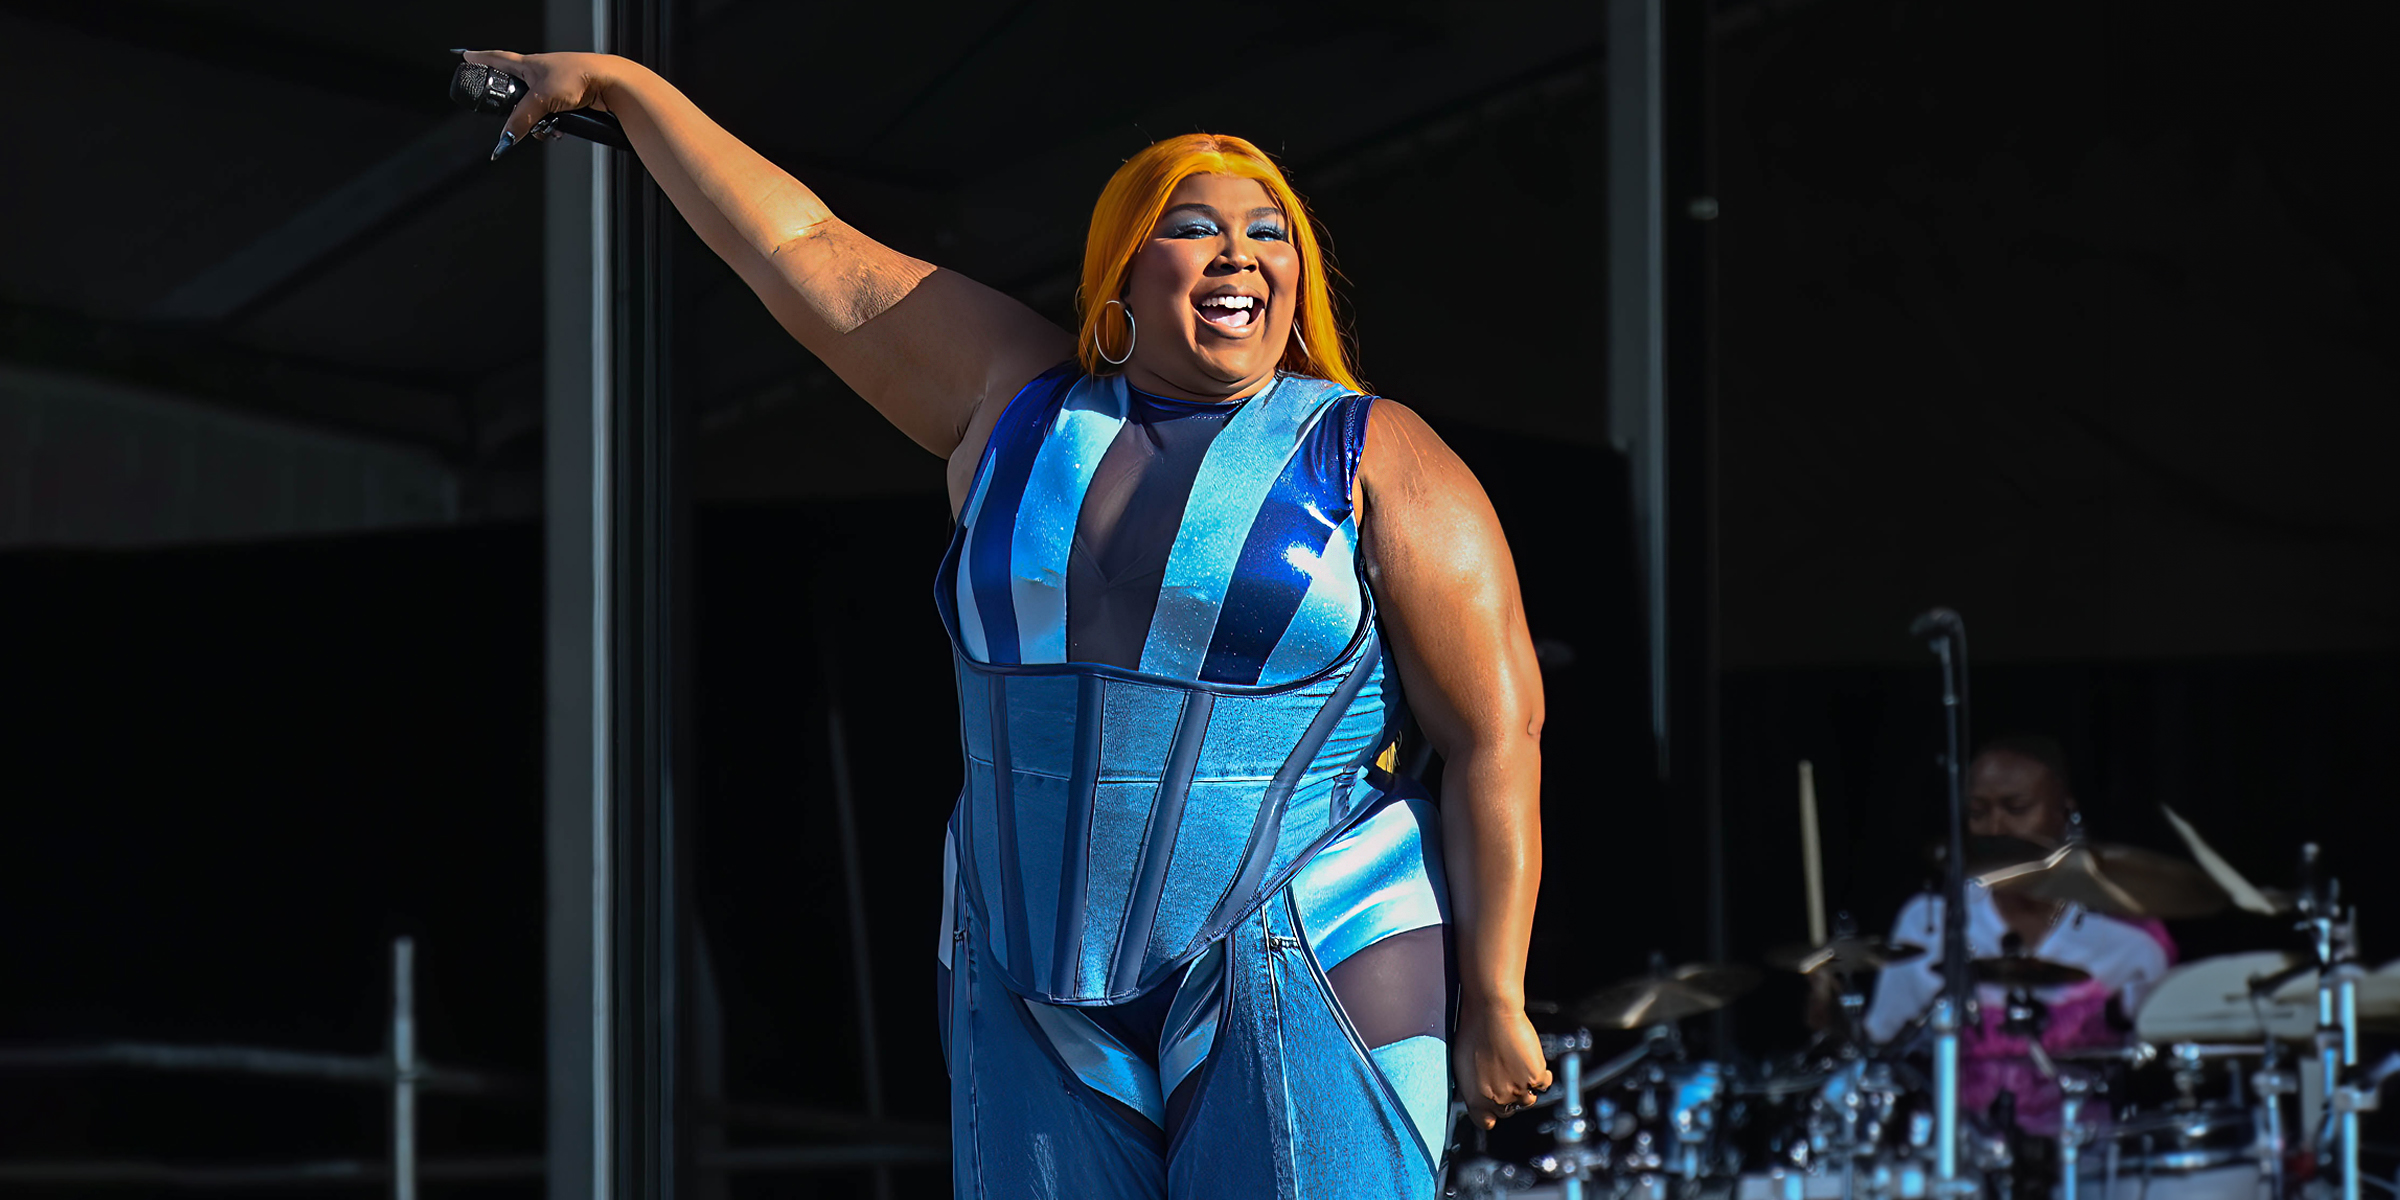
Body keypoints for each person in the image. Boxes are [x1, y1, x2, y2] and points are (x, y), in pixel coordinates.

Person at [459, 50, 1553, 1198]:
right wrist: (628, 88)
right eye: (1195, 225)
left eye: (1270, 232)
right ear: (1124, 268)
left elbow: (1497, 734)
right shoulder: (1014, 404)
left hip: (1309, 951)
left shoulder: (1379, 456)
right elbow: (804, 252)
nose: (1240, 252)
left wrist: (1497, 996)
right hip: (1021, 975)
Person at [1862, 734, 2174, 1140]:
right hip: (1958, 1168)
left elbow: (2167, 1071)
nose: (1995, 829)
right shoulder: (1931, 923)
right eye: (1977, 813)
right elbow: (1878, 1051)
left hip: (2092, 1168)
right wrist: (1835, 1023)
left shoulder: (2127, 937)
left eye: (2017, 809)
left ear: (2066, 811)